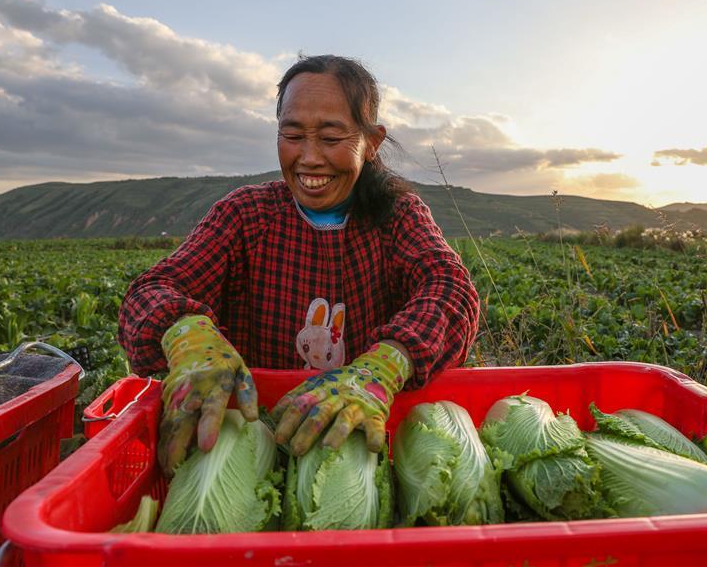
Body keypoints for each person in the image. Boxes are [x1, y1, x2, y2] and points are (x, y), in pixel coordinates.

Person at [118, 55, 480, 476]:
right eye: (292, 135)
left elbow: (451, 290)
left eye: (330, 138)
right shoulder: (245, 216)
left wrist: (383, 368)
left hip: (358, 446)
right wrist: (187, 336)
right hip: (251, 444)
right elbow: (150, 292)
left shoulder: (397, 216)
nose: (308, 158)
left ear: (372, 141)